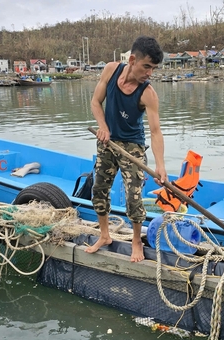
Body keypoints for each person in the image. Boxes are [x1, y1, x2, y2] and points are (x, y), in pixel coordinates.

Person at [85, 36, 167, 262]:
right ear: (132, 60)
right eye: (146, 66)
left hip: (133, 145)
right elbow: (95, 102)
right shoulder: (111, 70)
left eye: (154, 68)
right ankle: (104, 235)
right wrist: (103, 127)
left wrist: (160, 166)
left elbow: (156, 131)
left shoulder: (147, 93)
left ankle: (137, 240)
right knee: (99, 187)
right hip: (107, 140)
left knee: (133, 195)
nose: (150, 73)